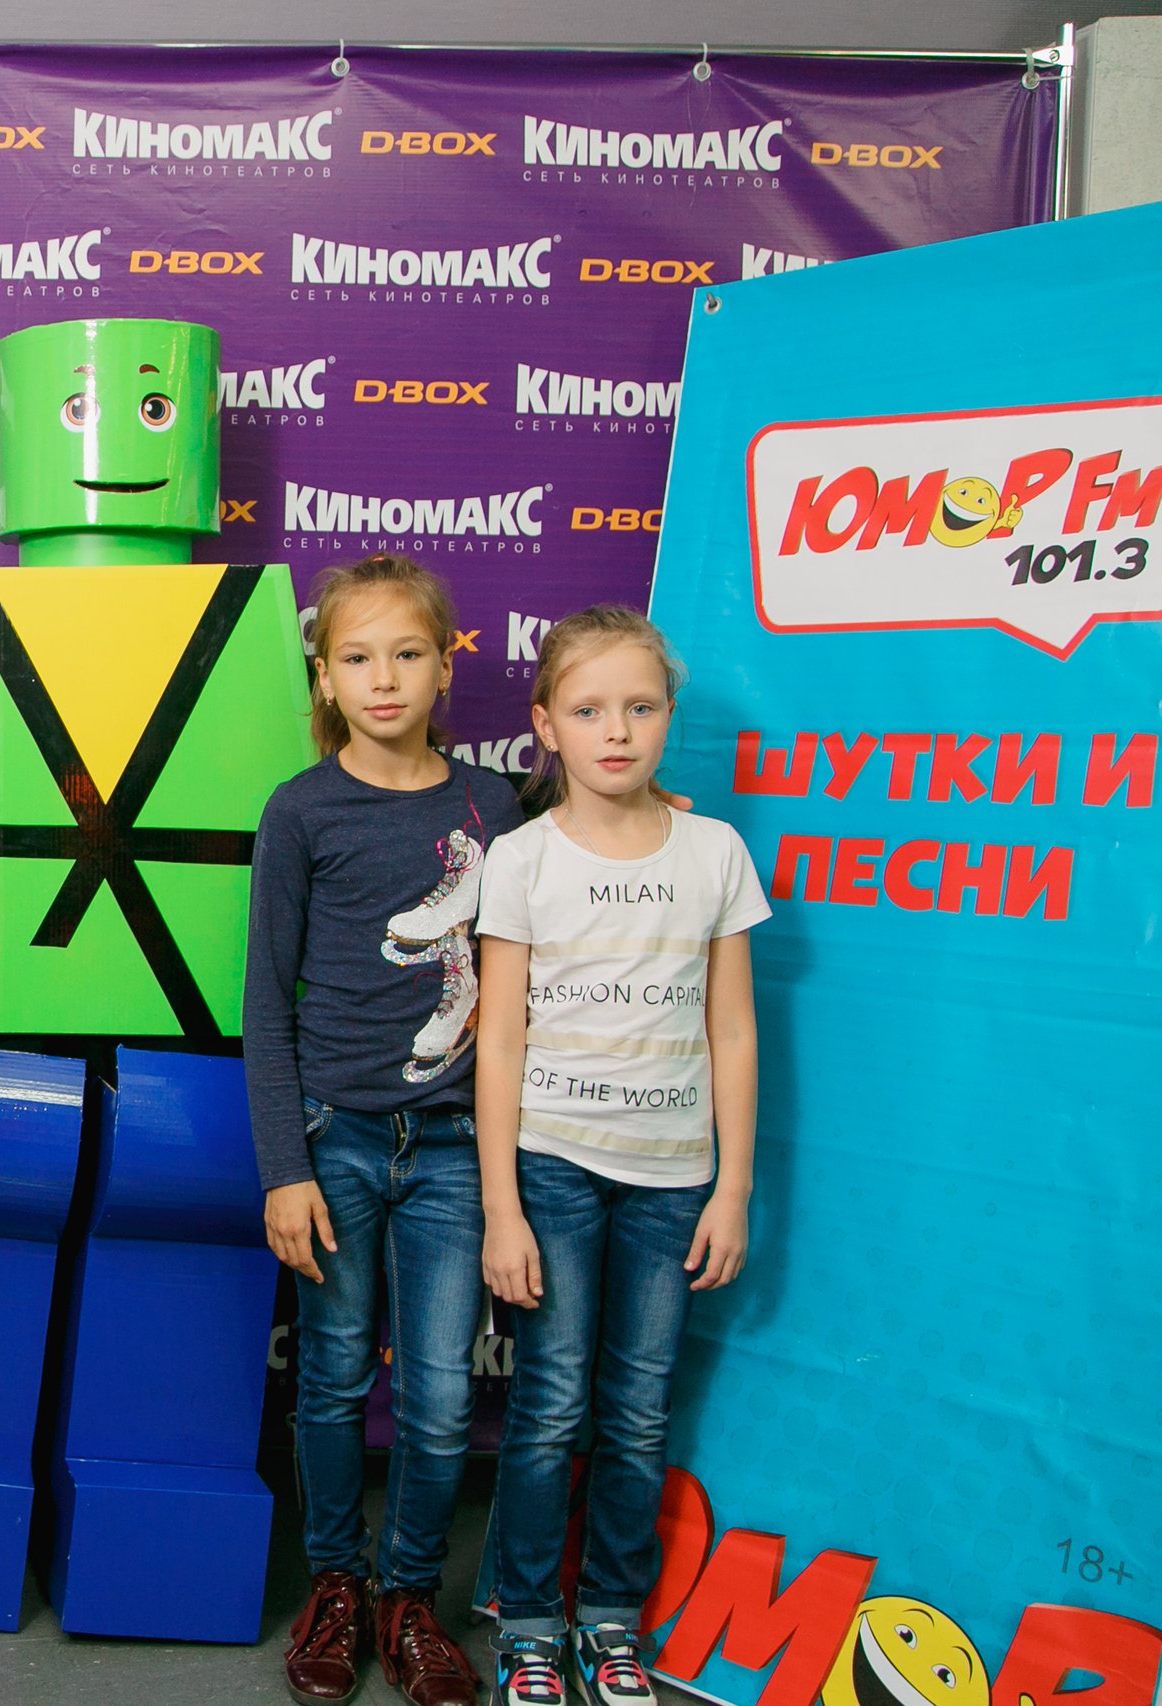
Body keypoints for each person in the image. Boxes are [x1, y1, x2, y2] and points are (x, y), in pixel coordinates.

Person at [472, 605, 765, 1706]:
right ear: (546, 725)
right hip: (551, 1165)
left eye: (640, 708)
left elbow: (732, 1028)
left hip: (673, 1177)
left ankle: (608, 1618)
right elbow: (500, 1038)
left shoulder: (714, 850)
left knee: (638, 1411)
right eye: (590, 710)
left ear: (668, 717)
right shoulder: (521, 858)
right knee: (550, 1404)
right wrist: (502, 1207)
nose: (617, 731)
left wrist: (732, 1186)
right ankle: (527, 1623)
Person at [242, 553, 521, 1706]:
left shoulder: (495, 804)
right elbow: (266, 1001)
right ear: (324, 674)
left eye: (408, 652)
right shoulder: (302, 809)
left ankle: (408, 1596)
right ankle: (337, 1584)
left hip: (454, 1145)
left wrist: (657, 814)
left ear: (447, 664)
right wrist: (284, 1167)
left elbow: (589, 846)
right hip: (336, 1137)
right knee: (330, 1375)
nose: (384, 676)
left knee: (443, 1396)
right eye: (357, 657)